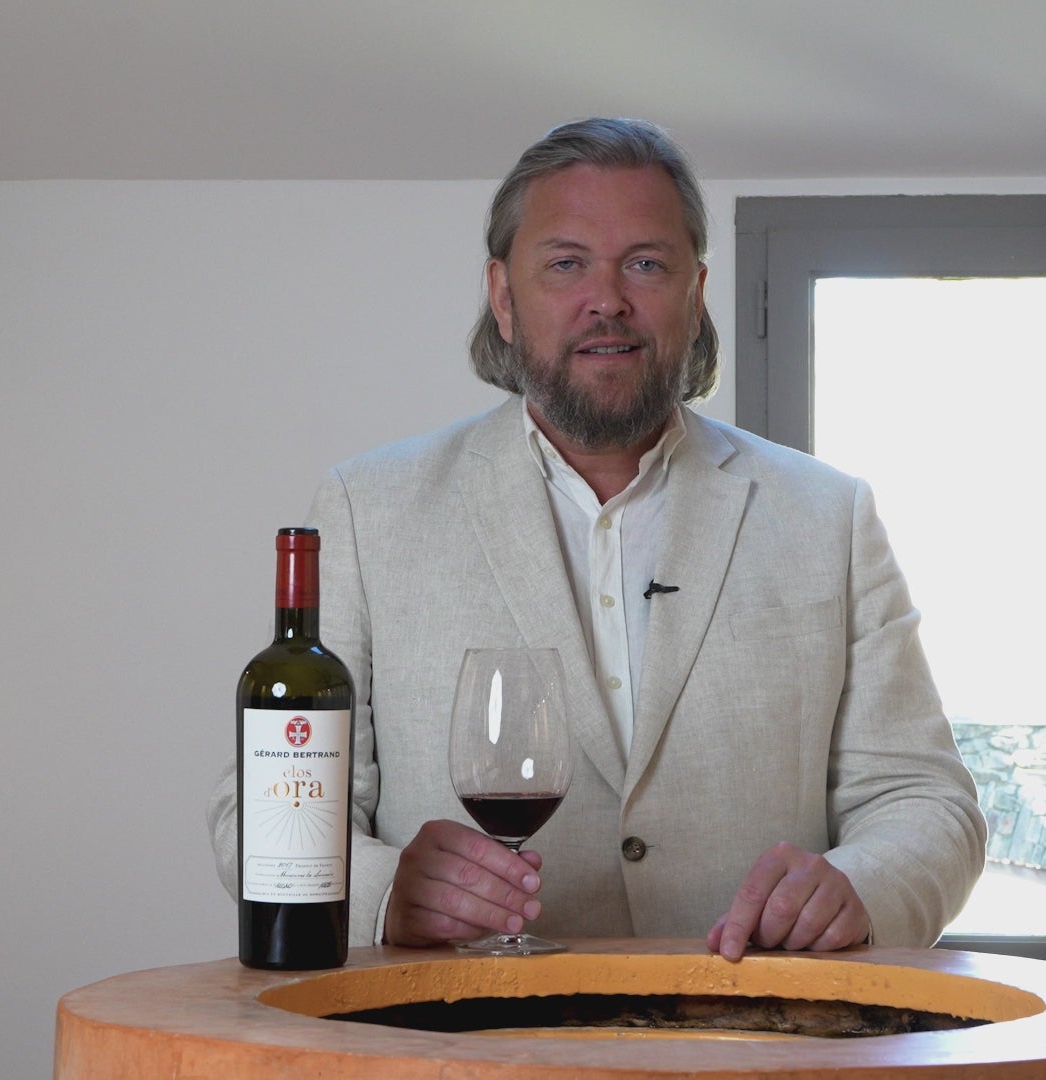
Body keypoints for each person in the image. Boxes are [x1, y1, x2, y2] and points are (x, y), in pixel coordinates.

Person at [209, 117, 984, 959]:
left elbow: (927, 801)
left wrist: (859, 887)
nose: (607, 299)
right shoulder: (369, 510)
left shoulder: (828, 516)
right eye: (566, 264)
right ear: (504, 298)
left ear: (695, 294)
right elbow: (257, 811)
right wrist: (387, 892)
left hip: (752, 1018)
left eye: (646, 264)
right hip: (461, 1024)